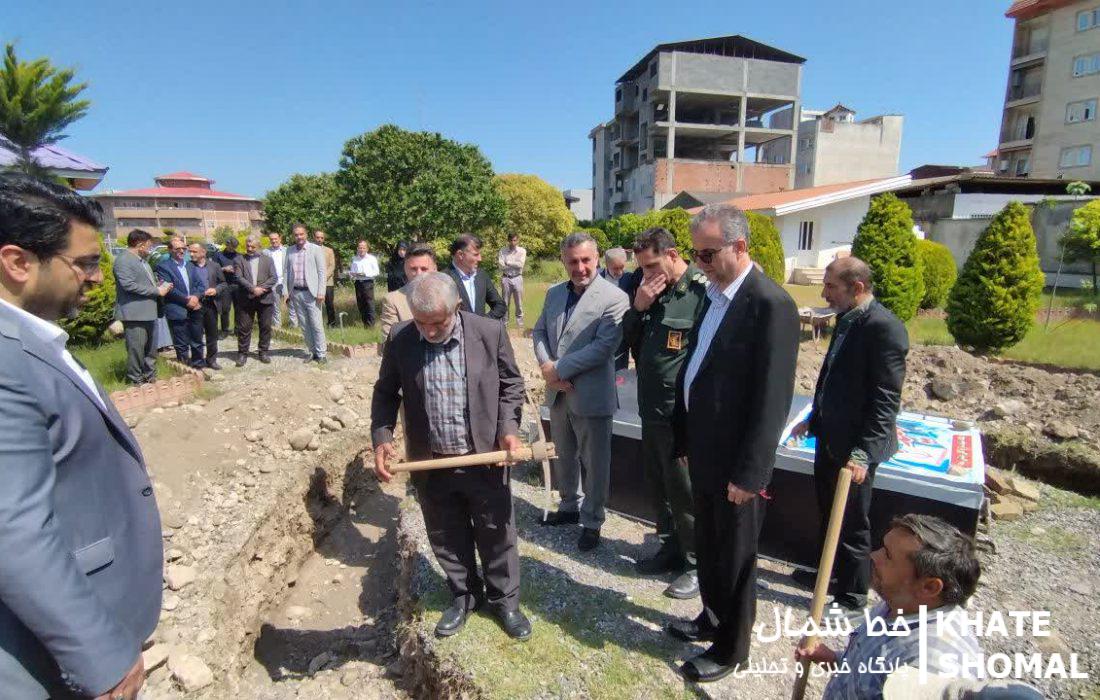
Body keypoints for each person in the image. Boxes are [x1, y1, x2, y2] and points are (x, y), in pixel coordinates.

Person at [0, 173, 162, 700]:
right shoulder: (5, 363)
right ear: (18, 262)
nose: (96, 278)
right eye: (86, 263)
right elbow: (12, 529)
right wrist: (99, 652)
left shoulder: (33, 341)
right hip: (47, 659)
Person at [668, 203, 800, 683]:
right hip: (705, 452)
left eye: (707, 254)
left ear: (739, 246)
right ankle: (711, 616)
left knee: (737, 557)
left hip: (737, 465)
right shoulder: (714, 296)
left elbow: (772, 399)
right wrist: (685, 436)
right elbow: (699, 369)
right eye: (695, 255)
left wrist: (751, 473)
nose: (699, 264)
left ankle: (731, 648)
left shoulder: (770, 304)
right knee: (709, 546)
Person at [372, 272, 531, 641]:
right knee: (446, 533)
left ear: (457, 308)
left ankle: (505, 601)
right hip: (432, 461)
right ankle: (464, 596)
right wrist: (382, 437)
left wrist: (508, 428)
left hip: (484, 457)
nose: (429, 331)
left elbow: (511, 384)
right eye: (421, 323)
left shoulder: (488, 332)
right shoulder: (401, 337)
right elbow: (386, 392)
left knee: (496, 532)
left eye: (438, 323)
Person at [788, 256, 910, 612]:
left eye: (831, 287)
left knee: (853, 519)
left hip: (856, 448)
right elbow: (831, 377)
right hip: (830, 437)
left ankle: (853, 595)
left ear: (856, 288)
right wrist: (813, 418)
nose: (824, 294)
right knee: (829, 512)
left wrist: (863, 453)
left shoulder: (884, 328)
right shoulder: (847, 318)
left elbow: (886, 400)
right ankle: (829, 574)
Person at [795, 514, 984, 700]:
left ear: (929, 587)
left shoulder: (931, 670)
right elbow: (870, 676)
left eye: (887, 555)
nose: (874, 555)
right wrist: (834, 659)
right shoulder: (898, 603)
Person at [621, 227, 708, 600]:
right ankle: (671, 548)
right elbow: (626, 341)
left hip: (681, 416)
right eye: (642, 267)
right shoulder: (649, 292)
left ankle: (697, 565)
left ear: (673, 255)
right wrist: (638, 307)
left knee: (685, 493)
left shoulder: (701, 293)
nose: (647, 274)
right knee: (659, 487)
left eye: (652, 265)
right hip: (651, 410)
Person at [532, 232, 629, 551]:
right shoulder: (554, 293)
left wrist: (557, 369)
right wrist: (547, 367)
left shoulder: (614, 298)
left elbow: (603, 347)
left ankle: (592, 521)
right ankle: (569, 506)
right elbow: (539, 331)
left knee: (595, 462)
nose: (580, 267)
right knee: (564, 454)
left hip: (591, 393)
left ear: (597, 258)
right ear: (564, 261)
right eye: (573, 261)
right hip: (558, 392)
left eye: (586, 260)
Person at [114, 229, 172, 384]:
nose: (150, 248)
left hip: (150, 311)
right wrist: (156, 291)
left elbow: (144, 282)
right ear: (140, 245)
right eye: (149, 245)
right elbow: (128, 285)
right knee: (136, 349)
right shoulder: (123, 260)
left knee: (151, 349)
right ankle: (136, 379)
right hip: (134, 313)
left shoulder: (143, 261)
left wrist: (159, 285)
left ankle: (150, 376)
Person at [154, 236, 204, 367]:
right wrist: (187, 300)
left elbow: (200, 285)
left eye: (183, 248)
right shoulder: (163, 267)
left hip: (195, 308)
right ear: (170, 250)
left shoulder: (190, 265)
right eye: (178, 249)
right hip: (177, 309)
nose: (182, 251)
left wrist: (196, 297)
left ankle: (199, 366)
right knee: (181, 344)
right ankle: (185, 368)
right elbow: (169, 288)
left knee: (197, 341)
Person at [285, 223, 328, 363]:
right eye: (296, 235)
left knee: (316, 324)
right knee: (304, 325)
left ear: (306, 234)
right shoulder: (289, 250)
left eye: (301, 234)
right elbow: (286, 272)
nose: (299, 237)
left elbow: (322, 272)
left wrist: (321, 292)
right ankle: (312, 351)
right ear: (293, 236)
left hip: (312, 293)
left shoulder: (315, 249)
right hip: (296, 293)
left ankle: (322, 354)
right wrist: (286, 292)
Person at [233, 234, 277, 366]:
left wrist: (261, 289)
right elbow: (238, 277)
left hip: (265, 298)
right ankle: (242, 353)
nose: (250, 248)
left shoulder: (268, 260)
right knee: (244, 328)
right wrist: (253, 289)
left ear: (259, 246)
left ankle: (263, 352)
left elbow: (273, 278)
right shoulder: (239, 259)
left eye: (253, 246)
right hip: (246, 298)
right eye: (248, 246)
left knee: (265, 327)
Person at [380, 244, 437, 340]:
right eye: (413, 269)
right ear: (405, 269)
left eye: (424, 269)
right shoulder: (393, 301)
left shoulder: (447, 295)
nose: (419, 274)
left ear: (435, 269)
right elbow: (389, 342)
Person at [445, 234, 506, 319]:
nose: (480, 259)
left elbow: (500, 305)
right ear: (460, 255)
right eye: (476, 254)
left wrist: (483, 321)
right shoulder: (443, 279)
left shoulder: (481, 275)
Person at [188, 242, 228, 370]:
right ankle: (197, 362)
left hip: (211, 304)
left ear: (203, 252)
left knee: (212, 334)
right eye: (190, 251)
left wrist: (216, 290)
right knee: (196, 335)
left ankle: (211, 360)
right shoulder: (187, 266)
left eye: (194, 251)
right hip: (195, 305)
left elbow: (223, 283)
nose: (191, 254)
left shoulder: (214, 266)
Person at [497, 232, 527, 328]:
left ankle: (520, 324)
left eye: (515, 240)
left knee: (519, 302)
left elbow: (520, 265)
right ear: (508, 240)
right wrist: (514, 264)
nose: (513, 242)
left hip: (517, 278)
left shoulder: (522, 251)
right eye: (511, 240)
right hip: (506, 278)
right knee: (505, 302)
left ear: (518, 240)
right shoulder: (503, 251)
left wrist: (508, 262)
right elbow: (501, 265)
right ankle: (504, 323)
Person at [349, 239, 380, 327]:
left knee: (369, 303)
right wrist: (352, 275)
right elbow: (352, 271)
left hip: (368, 283)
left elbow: (376, 272)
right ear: (357, 248)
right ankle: (365, 324)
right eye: (360, 248)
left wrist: (365, 273)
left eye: (363, 248)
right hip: (358, 283)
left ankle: (371, 325)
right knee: (360, 304)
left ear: (367, 249)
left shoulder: (372, 259)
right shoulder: (354, 259)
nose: (361, 249)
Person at [216, 237, 241, 338]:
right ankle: (224, 330)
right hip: (225, 284)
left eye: (234, 247)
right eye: (231, 247)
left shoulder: (239, 255)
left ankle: (238, 329)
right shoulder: (218, 255)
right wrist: (224, 269)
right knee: (225, 308)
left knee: (238, 308)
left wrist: (237, 270)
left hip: (237, 284)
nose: (233, 249)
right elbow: (214, 269)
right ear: (227, 245)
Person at [264, 231, 290, 327]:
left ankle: (294, 325)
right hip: (273, 282)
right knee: (275, 305)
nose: (274, 241)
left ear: (280, 238)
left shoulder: (287, 250)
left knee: (291, 304)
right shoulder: (265, 252)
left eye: (275, 239)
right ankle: (277, 326)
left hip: (286, 280)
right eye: (271, 239)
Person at [314, 229, 337, 326]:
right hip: (314, 282)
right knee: (314, 305)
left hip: (328, 282)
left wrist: (323, 278)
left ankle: (332, 323)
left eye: (321, 238)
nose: (319, 239)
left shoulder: (329, 250)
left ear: (324, 239)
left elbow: (332, 266)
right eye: (317, 237)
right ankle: (316, 324)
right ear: (314, 238)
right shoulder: (309, 250)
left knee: (329, 304)